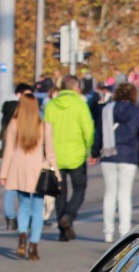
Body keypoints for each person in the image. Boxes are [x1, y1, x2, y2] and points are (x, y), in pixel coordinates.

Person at [0, 93, 58, 261]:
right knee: (37, 209)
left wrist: (4, 173)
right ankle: (34, 245)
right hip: (38, 170)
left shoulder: (13, 124)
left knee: (23, 205)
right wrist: (57, 173)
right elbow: (50, 153)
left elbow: (8, 150)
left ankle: (22, 235)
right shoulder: (45, 126)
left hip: (19, 170)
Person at [94, 81, 139, 243]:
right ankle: (124, 233)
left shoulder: (107, 110)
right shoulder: (137, 112)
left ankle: (108, 232)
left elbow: (99, 134)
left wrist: (94, 152)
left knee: (110, 194)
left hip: (108, 155)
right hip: (129, 156)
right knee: (125, 196)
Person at [43, 74, 95, 241]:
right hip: (76, 155)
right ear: (74, 87)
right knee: (79, 189)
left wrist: (45, 152)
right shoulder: (80, 104)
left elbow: (45, 129)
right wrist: (91, 150)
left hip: (56, 156)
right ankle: (68, 216)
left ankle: (62, 229)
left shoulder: (51, 105)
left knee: (60, 193)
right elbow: (88, 129)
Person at [0, 82, 34, 229]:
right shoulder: (20, 108)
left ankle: (9, 216)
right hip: (23, 150)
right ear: (20, 94)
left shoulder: (7, 106)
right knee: (26, 187)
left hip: (10, 148)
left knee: (10, 185)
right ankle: (24, 218)